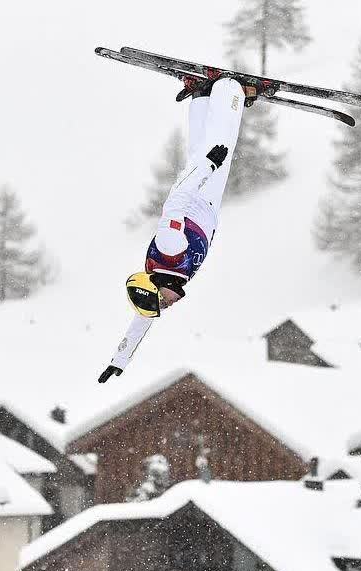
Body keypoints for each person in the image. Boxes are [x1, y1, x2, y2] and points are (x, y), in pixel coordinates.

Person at [98, 77, 248, 382]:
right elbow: (140, 323)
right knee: (201, 145)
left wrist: (207, 167)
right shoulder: (166, 275)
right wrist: (119, 360)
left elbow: (176, 201)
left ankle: (231, 90)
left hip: (200, 195)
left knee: (222, 144)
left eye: (162, 302)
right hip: (202, 196)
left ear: (154, 287)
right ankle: (203, 96)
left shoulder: (169, 251)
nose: (168, 305)